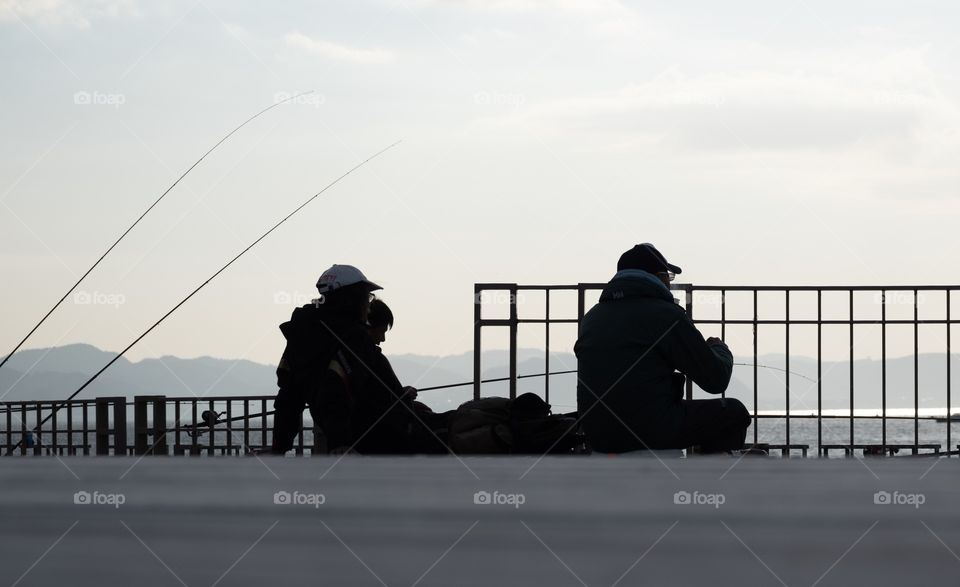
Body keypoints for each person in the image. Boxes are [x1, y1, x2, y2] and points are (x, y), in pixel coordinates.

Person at [574, 243, 751, 454]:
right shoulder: (666, 315)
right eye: (669, 277)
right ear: (659, 277)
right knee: (733, 413)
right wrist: (719, 348)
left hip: (598, 434)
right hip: (650, 430)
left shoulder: (593, 317)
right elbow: (716, 379)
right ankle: (709, 481)